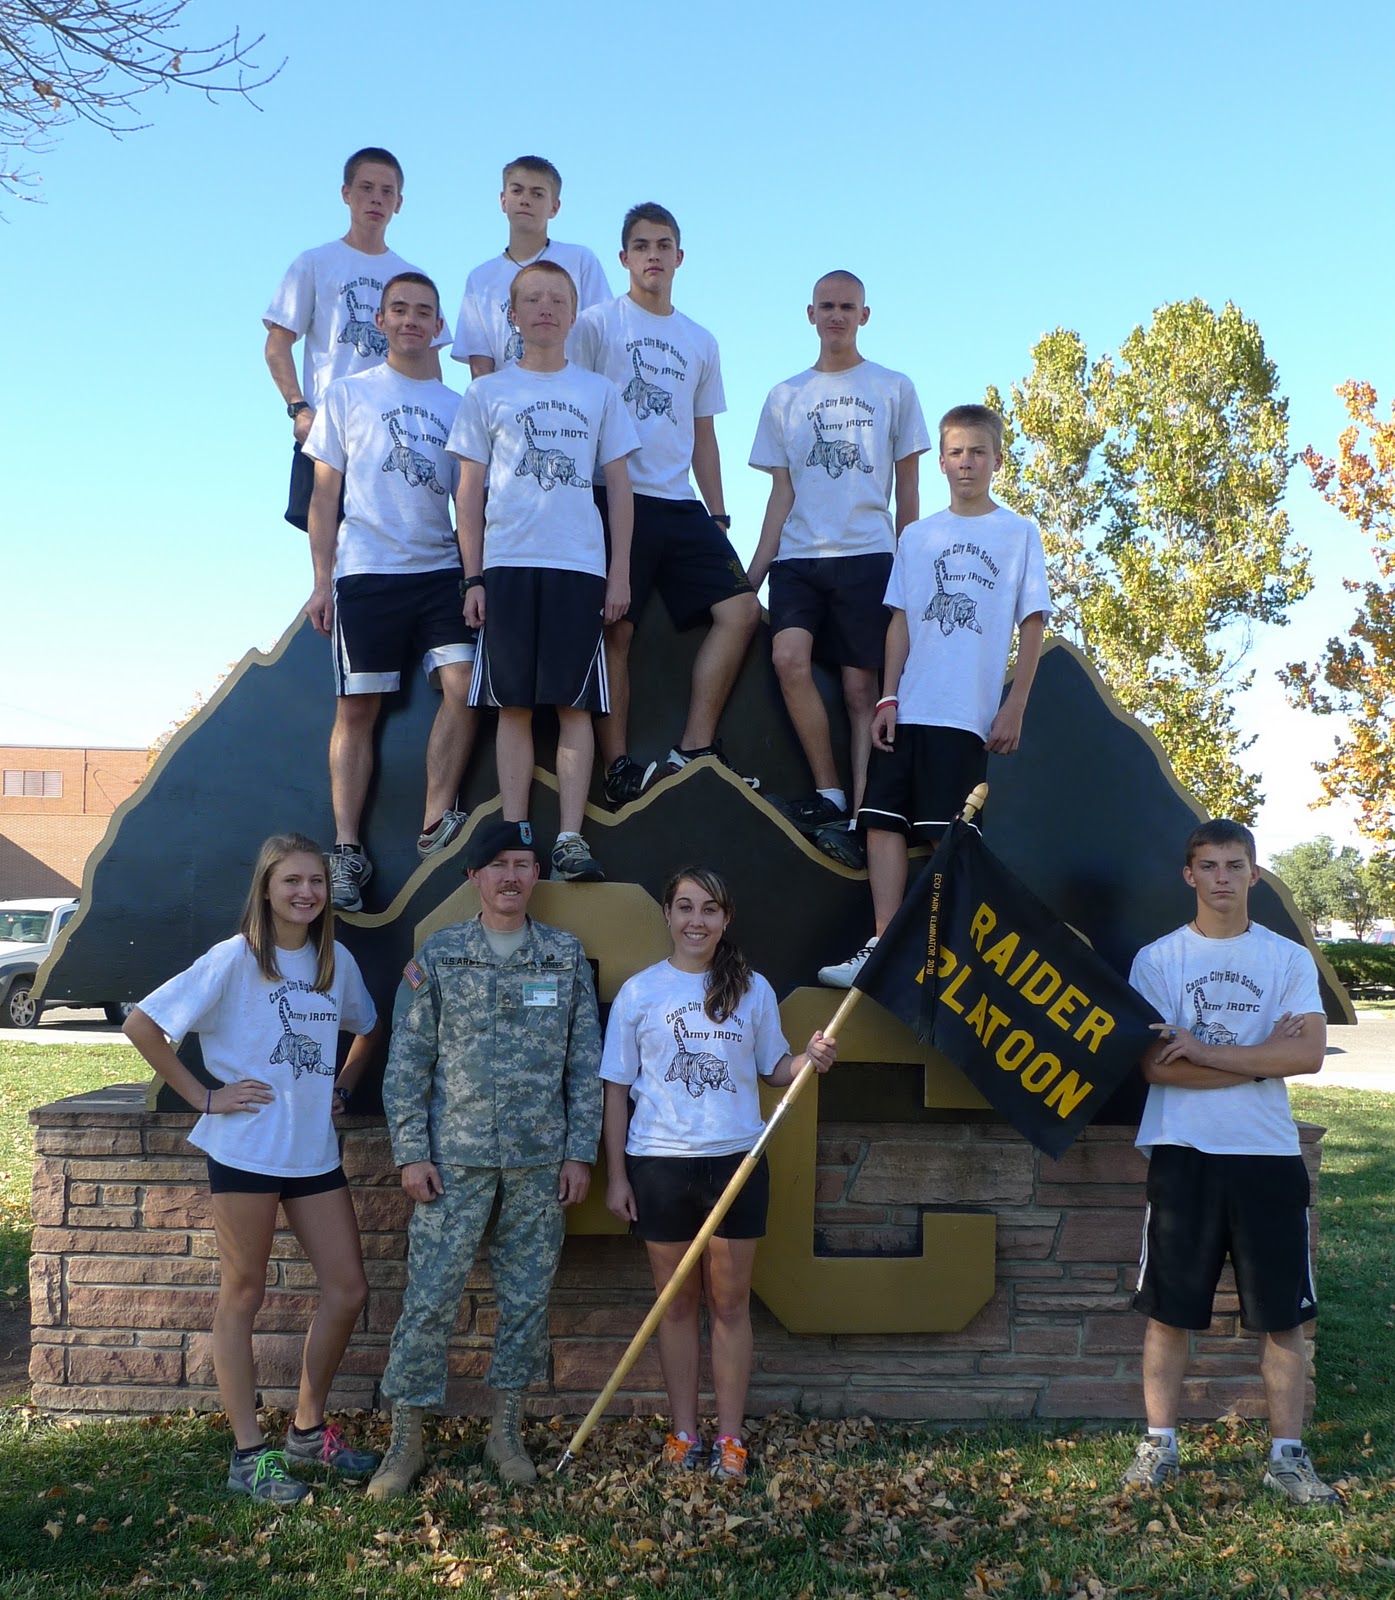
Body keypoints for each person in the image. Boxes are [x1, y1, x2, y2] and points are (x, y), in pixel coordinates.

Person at [122, 834, 381, 1502]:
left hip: (312, 1153)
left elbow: (367, 1027)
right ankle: (248, 1456)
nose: (306, 892)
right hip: (245, 1152)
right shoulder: (233, 959)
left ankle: (307, 1431)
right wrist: (204, 1096)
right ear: (266, 888)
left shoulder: (335, 963)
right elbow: (143, 1025)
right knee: (243, 1295)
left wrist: (344, 1086)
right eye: (291, 880)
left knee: (348, 1290)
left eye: (316, 881)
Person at [367, 819, 603, 1500]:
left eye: (523, 864)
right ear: (473, 876)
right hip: (454, 1162)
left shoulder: (562, 956)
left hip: (538, 1164)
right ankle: (405, 1443)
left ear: (537, 875)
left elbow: (583, 1065)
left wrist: (579, 1153)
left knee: (526, 1302)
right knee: (429, 1301)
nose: (510, 876)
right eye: (497, 864)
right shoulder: (441, 956)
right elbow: (408, 1061)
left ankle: (506, 1433)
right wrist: (411, 1152)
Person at [1120, 819, 1340, 1504]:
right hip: (1183, 1152)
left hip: (1266, 1154)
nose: (1222, 877)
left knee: (1283, 1317)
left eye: (1234, 865)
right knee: (1168, 1312)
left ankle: (1286, 1459)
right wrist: (1261, 1058)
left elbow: (1306, 1055)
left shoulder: (1286, 958)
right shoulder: (1158, 960)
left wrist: (1204, 1049)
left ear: (1254, 874)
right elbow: (1158, 1067)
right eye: (1209, 865)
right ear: (1189, 875)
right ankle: (1159, 1445)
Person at [600, 867, 836, 1481]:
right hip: (659, 1164)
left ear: (726, 919)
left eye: (709, 909)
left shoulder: (752, 990)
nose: (696, 920)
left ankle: (730, 1439)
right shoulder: (640, 993)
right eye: (685, 907)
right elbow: (616, 1090)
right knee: (676, 1306)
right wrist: (618, 1177)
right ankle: (684, 1433)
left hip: (737, 1163)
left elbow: (774, 1069)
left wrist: (808, 1059)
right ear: (667, 915)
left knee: (730, 1305)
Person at [819, 404, 1050, 987]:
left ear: (997, 460)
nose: (966, 462)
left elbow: (1032, 622)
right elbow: (900, 621)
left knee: (950, 838)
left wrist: (1016, 702)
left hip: (965, 716)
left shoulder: (1018, 533)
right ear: (941, 461)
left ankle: (940, 957)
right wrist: (887, 699)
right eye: (956, 452)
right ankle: (883, 946)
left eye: (978, 452)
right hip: (909, 708)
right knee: (881, 822)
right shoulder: (917, 536)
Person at [449, 260, 637, 884]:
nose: (546, 308)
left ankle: (570, 840)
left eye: (558, 298)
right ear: (513, 313)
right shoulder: (486, 393)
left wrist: (618, 573)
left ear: (574, 312)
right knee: (514, 707)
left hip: (578, 566)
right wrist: (473, 578)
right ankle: (517, 837)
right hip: (506, 565)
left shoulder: (599, 391)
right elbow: (468, 491)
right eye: (532, 299)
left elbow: (619, 487)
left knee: (575, 706)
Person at [571, 203, 762, 806]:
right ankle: (618, 767)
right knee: (616, 631)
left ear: (679, 257)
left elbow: (704, 435)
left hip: (679, 503)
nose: (652, 255)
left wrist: (719, 514)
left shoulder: (700, 340)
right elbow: (573, 407)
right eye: (641, 246)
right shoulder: (596, 324)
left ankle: (695, 748)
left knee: (742, 611)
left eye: (663, 246)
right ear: (623, 258)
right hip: (612, 496)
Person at [302, 271, 478, 913]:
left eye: (423, 312)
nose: (410, 320)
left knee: (465, 685)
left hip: (440, 571)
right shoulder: (346, 394)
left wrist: (474, 576)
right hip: (367, 571)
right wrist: (320, 582)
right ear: (380, 321)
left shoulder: (460, 405)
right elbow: (324, 496)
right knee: (357, 710)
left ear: (439, 327)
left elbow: (470, 504)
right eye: (399, 309)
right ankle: (347, 849)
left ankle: (435, 821)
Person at [747, 271, 930, 865]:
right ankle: (828, 794)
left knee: (860, 690)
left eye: (847, 307)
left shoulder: (894, 387)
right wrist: (752, 575)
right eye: (826, 306)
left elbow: (909, 492)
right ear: (810, 314)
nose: (836, 316)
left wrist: (909, 568)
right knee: (787, 657)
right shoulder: (785, 395)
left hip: (869, 555)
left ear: (864, 316)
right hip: (799, 557)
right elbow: (780, 493)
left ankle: (861, 816)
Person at [264, 147, 449, 532]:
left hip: (394, 437)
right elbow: (277, 344)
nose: (376, 199)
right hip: (329, 431)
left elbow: (430, 364)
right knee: (329, 549)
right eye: (366, 188)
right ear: (346, 193)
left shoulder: (411, 276)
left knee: (399, 545)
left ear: (399, 203)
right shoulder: (314, 263)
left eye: (387, 191)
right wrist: (299, 409)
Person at [451, 155, 610, 378]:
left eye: (537, 194)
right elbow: (480, 366)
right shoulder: (481, 279)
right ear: (503, 200)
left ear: (554, 207)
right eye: (517, 191)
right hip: (509, 396)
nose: (525, 200)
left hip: (574, 392)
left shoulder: (580, 261)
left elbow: (603, 336)